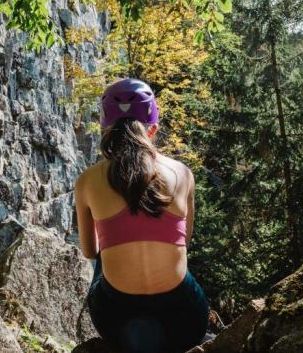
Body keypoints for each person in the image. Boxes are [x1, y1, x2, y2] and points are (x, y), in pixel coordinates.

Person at [74, 78, 209, 353]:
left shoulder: (87, 180)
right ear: (153, 129)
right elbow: (185, 243)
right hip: (184, 318)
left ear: (106, 130)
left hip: (115, 316)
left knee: (102, 256)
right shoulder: (183, 174)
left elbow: (89, 250)